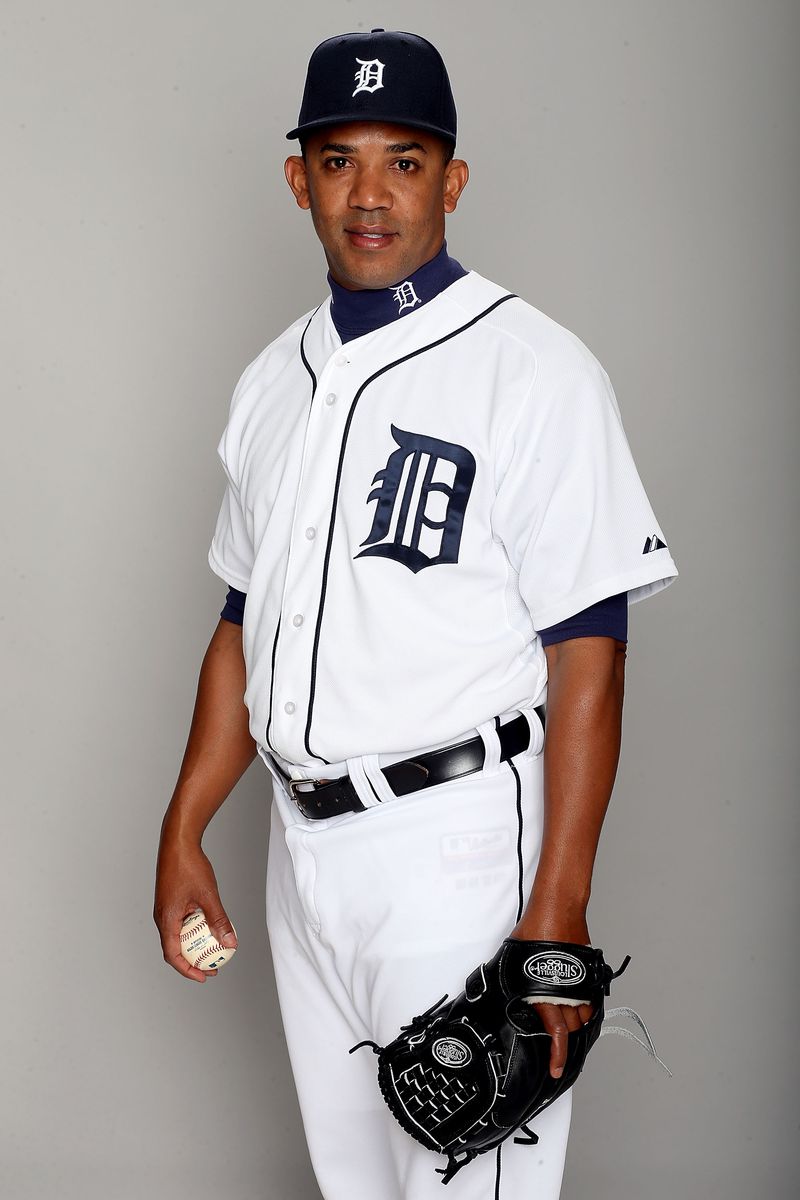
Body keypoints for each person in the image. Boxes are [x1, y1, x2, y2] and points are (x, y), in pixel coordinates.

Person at [154, 27, 678, 1200]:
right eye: (340, 161)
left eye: (403, 159)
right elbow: (244, 622)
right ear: (299, 181)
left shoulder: (534, 370)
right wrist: (185, 825)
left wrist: (556, 918)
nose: (370, 193)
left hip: (455, 859)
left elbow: (588, 649)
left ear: (451, 178)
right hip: (303, 852)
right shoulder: (268, 381)